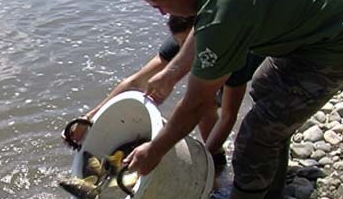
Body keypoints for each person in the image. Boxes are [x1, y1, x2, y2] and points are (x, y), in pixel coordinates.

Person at [126, 0, 343, 199]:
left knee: (256, 135)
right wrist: (171, 72)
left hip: (335, 43)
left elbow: (196, 105)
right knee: (265, 90)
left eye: (158, 6)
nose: (162, 14)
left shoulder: (225, 8)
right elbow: (207, 18)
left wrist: (155, 150)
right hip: (310, 26)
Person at [63, 15, 263, 170]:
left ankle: (214, 161)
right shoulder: (180, 44)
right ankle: (218, 159)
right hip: (215, 60)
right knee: (205, 105)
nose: (184, 51)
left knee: (209, 104)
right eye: (180, 45)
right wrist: (88, 118)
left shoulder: (235, 54)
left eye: (188, 45)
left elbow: (228, 116)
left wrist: (203, 165)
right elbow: (135, 82)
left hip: (262, 58)